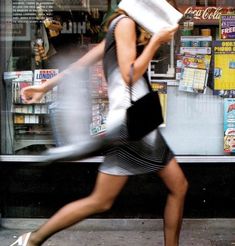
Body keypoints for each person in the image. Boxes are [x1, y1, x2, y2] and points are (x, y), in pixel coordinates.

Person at [10, 2, 188, 246]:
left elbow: (81, 63)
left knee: (178, 186)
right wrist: (156, 41)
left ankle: (31, 240)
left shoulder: (122, 24)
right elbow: (129, 75)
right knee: (101, 200)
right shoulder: (125, 24)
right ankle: (32, 240)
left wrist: (45, 86)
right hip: (131, 124)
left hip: (140, 122)